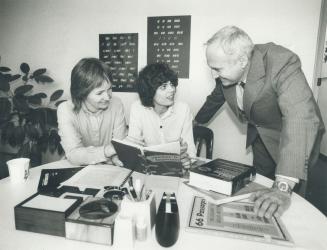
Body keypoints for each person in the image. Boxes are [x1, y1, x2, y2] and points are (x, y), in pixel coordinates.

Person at [195, 26, 325, 218]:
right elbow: (216, 98)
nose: (214, 75)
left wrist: (283, 187)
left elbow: (300, 116)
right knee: (261, 187)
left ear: (242, 61)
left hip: (296, 138)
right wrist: (195, 122)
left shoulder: (281, 61)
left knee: (292, 198)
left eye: (217, 69)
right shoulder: (227, 73)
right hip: (260, 136)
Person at [57, 57, 127, 166]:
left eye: (109, 89)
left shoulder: (116, 104)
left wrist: (115, 156)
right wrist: (107, 151)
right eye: (99, 93)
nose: (108, 97)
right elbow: (74, 154)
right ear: (82, 93)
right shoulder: (65, 109)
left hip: (110, 167)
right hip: (77, 168)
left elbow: (120, 144)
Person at [127, 62, 196, 169]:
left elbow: (190, 150)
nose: (172, 90)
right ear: (150, 90)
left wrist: (187, 159)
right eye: (164, 87)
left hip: (176, 170)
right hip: (148, 169)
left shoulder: (183, 109)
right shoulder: (137, 108)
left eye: (172, 84)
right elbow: (133, 147)